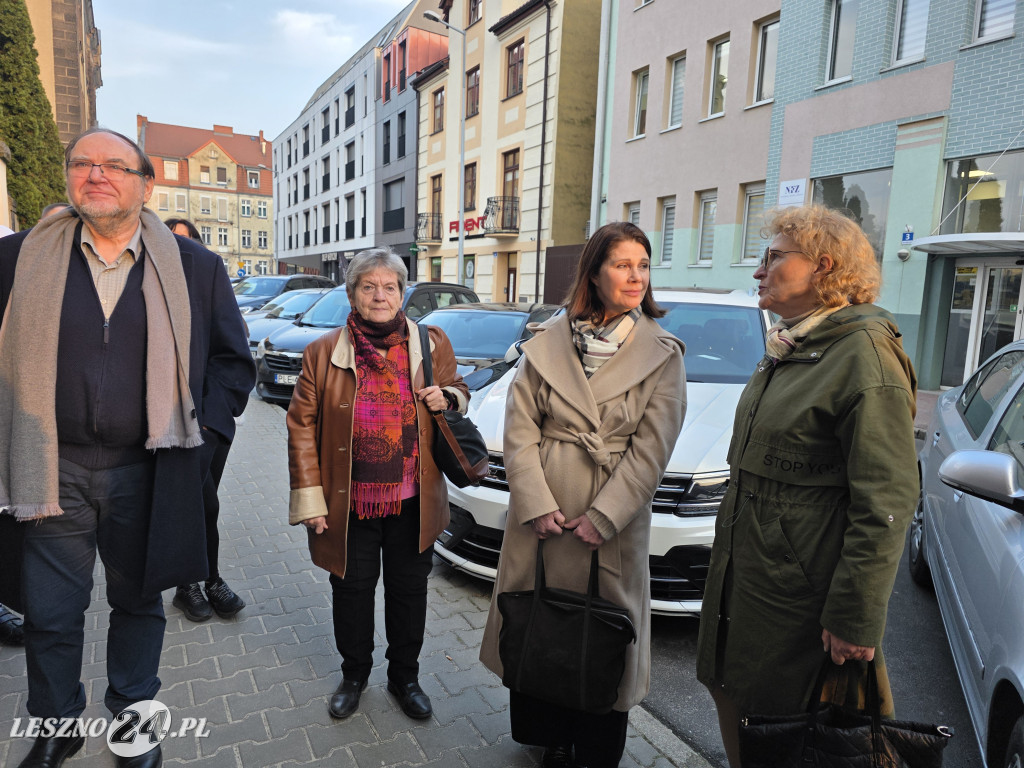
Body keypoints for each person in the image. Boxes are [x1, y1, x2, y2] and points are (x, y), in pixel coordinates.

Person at [0, 128, 255, 768]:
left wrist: (204, 439)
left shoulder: (196, 268)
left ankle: (133, 723)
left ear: (145, 183)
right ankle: (57, 730)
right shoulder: (20, 258)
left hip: (149, 472)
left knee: (138, 605)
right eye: (82, 163)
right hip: (49, 470)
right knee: (51, 617)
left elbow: (232, 363)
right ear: (68, 177)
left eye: (115, 165)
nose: (96, 175)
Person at [695, 204, 919, 767]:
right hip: (753, 586)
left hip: (801, 609)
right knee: (747, 716)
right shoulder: (799, 344)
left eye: (773, 257)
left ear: (823, 267)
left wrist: (854, 618)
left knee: (789, 737)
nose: (758, 271)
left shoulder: (863, 357)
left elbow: (886, 501)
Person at [479, 221, 687, 768]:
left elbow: (653, 449)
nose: (636, 276)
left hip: (609, 520)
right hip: (543, 513)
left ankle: (593, 752)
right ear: (594, 273)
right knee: (539, 619)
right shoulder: (547, 341)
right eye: (623, 265)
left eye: (643, 265)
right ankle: (548, 740)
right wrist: (536, 502)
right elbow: (518, 427)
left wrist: (605, 515)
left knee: (602, 632)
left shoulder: (663, 353)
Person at [286, 247, 468, 722]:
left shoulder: (432, 344)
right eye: (369, 286)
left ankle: (405, 677)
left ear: (403, 293)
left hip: (415, 500)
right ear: (352, 294)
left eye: (390, 287)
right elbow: (301, 426)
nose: (380, 295)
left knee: (409, 594)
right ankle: (354, 675)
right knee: (350, 590)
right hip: (348, 502)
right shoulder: (323, 352)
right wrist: (310, 498)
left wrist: (446, 395)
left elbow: (461, 392)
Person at [163, 216, 246, 622]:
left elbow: (233, 355)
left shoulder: (211, 284)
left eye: (188, 241)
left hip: (207, 425)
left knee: (205, 503)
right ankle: (189, 583)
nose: (181, 249)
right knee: (190, 503)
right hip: (162, 425)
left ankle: (208, 578)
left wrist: (212, 422)